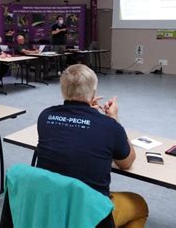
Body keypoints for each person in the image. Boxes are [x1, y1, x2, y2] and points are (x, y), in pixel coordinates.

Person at [36, 64, 148, 227]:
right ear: (93, 92)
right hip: (91, 216)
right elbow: (126, 162)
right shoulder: (109, 126)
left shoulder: (45, 116)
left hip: (53, 208)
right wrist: (114, 119)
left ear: (62, 90)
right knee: (139, 205)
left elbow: (71, 140)